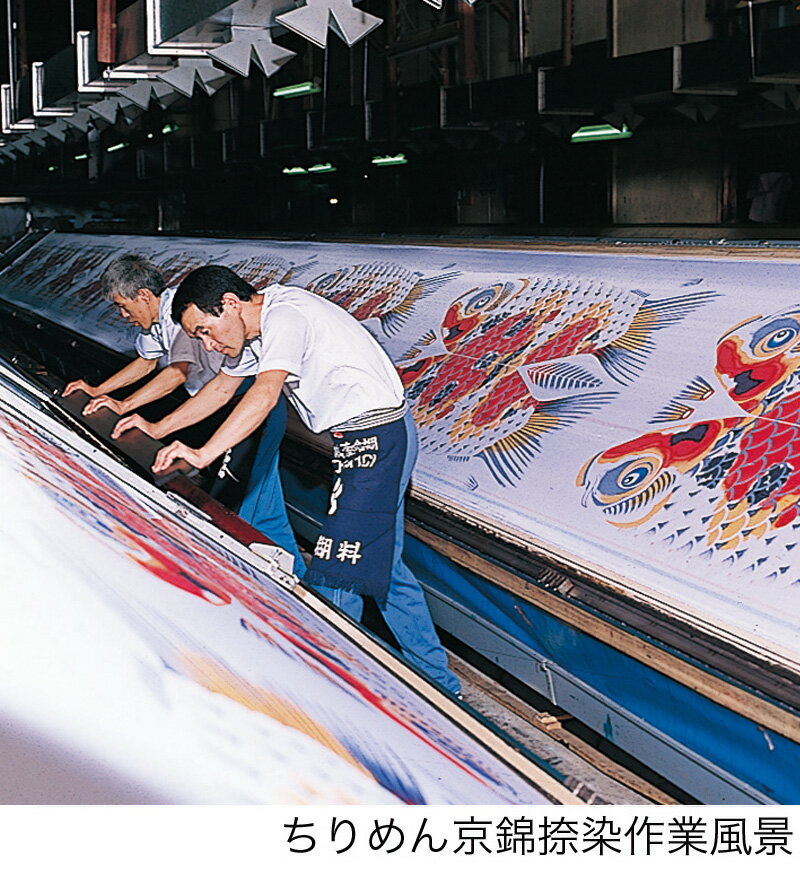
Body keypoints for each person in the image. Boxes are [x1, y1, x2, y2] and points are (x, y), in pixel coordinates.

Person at [147, 264, 460, 695]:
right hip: (359, 438)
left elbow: (265, 392)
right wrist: (155, 430)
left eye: (205, 329)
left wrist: (202, 453)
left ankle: (322, 683)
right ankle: (439, 683)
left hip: (379, 435)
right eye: (199, 336)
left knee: (337, 569)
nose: (208, 343)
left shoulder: (284, 316)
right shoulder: (256, 330)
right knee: (382, 564)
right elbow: (221, 389)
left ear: (231, 304)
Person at [63, 254, 303, 573]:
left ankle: (272, 580)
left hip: (246, 409)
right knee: (260, 505)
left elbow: (177, 372)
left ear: (144, 296)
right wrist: (99, 392)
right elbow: (147, 361)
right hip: (222, 407)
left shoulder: (184, 314)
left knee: (237, 508)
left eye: (124, 305)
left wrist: (128, 409)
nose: (123, 314)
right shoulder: (159, 318)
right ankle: (296, 575)